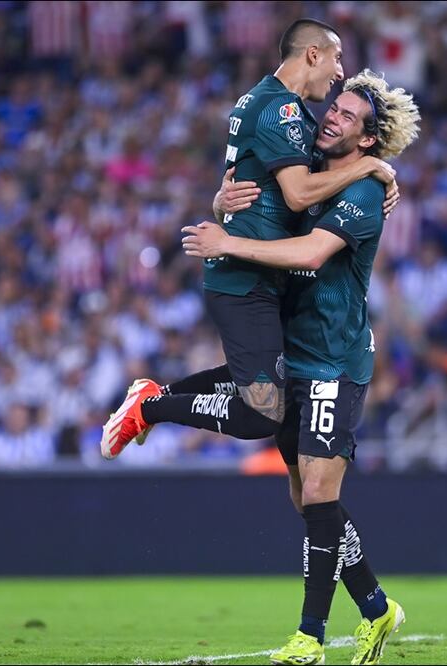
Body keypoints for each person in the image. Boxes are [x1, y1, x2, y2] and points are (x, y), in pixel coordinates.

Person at [182, 69, 420, 666]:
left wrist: (228, 244)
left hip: (335, 362)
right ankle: (376, 606)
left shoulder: (362, 193)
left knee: (318, 490)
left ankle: (309, 637)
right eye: (332, 106)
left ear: (367, 140)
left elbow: (312, 251)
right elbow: (264, 200)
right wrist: (222, 201)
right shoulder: (310, 176)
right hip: (294, 352)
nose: (330, 116)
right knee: (305, 498)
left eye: (346, 115)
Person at [100, 18, 398, 459]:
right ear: (313, 55)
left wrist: (222, 204)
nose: (339, 72)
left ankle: (151, 397)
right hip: (244, 278)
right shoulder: (284, 111)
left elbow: (246, 184)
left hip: (251, 276)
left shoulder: (260, 100)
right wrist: (371, 166)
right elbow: (297, 195)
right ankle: (151, 407)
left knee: (264, 381)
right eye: (336, 58)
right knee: (261, 414)